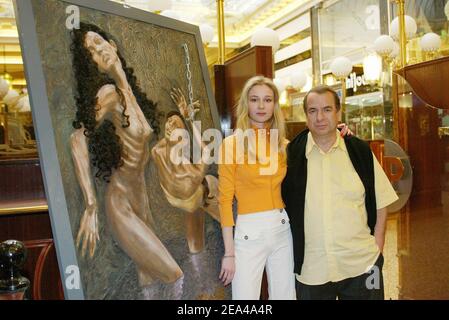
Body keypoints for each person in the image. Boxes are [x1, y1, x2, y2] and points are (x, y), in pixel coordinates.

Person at [70, 22, 183, 286]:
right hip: (120, 203)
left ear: (113, 45)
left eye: (100, 43)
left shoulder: (132, 96)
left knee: (149, 282)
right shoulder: (108, 93)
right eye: (92, 52)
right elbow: (77, 138)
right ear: (93, 65)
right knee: (174, 275)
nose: (99, 51)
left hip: (141, 200)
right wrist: (90, 204)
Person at [281, 85, 398, 300]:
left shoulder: (359, 151)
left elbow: (382, 204)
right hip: (311, 270)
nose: (320, 117)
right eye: (313, 111)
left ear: (338, 113)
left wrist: (377, 251)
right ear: (305, 115)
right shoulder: (291, 156)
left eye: (327, 109)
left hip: (362, 265)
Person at [151, 88, 220, 254]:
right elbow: (205, 152)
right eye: (170, 122)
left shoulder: (158, 152)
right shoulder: (160, 153)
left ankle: (197, 249)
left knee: (203, 200)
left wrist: (187, 118)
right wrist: (187, 117)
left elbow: (204, 152)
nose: (171, 125)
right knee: (211, 184)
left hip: (189, 197)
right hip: (191, 197)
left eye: (175, 125)